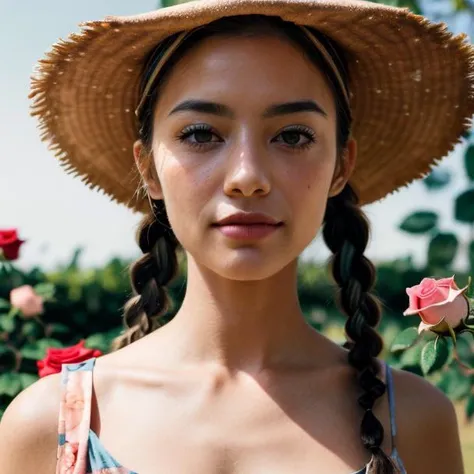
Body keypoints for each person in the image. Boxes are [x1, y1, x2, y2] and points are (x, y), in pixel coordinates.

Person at [0, 0, 471, 472]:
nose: (247, 176)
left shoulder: (416, 420)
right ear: (148, 169)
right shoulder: (46, 424)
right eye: (202, 133)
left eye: (292, 136)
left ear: (341, 166)